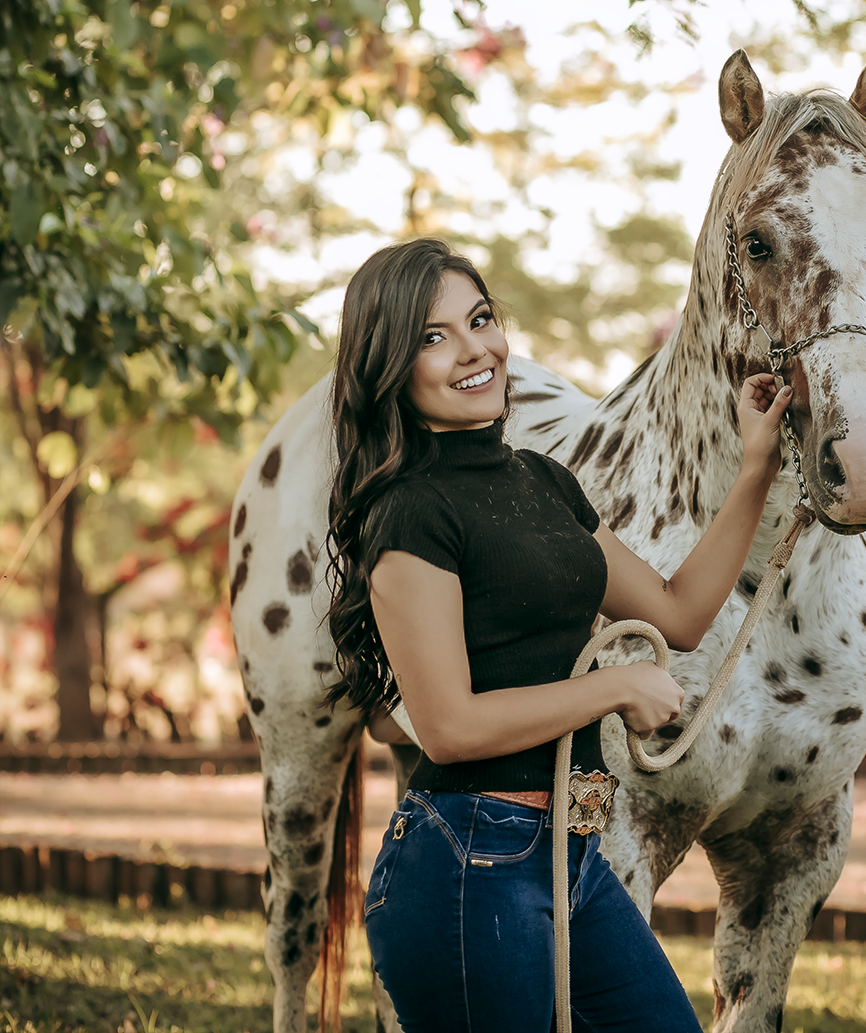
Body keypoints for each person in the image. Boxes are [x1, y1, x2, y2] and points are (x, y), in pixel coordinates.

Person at [326, 236, 792, 1033]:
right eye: (434, 337)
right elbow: (449, 727)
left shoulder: (543, 482)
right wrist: (612, 688)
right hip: (467, 861)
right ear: (391, 367)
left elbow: (678, 613)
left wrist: (756, 468)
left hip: (572, 852)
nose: (474, 350)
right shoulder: (409, 512)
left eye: (479, 320)